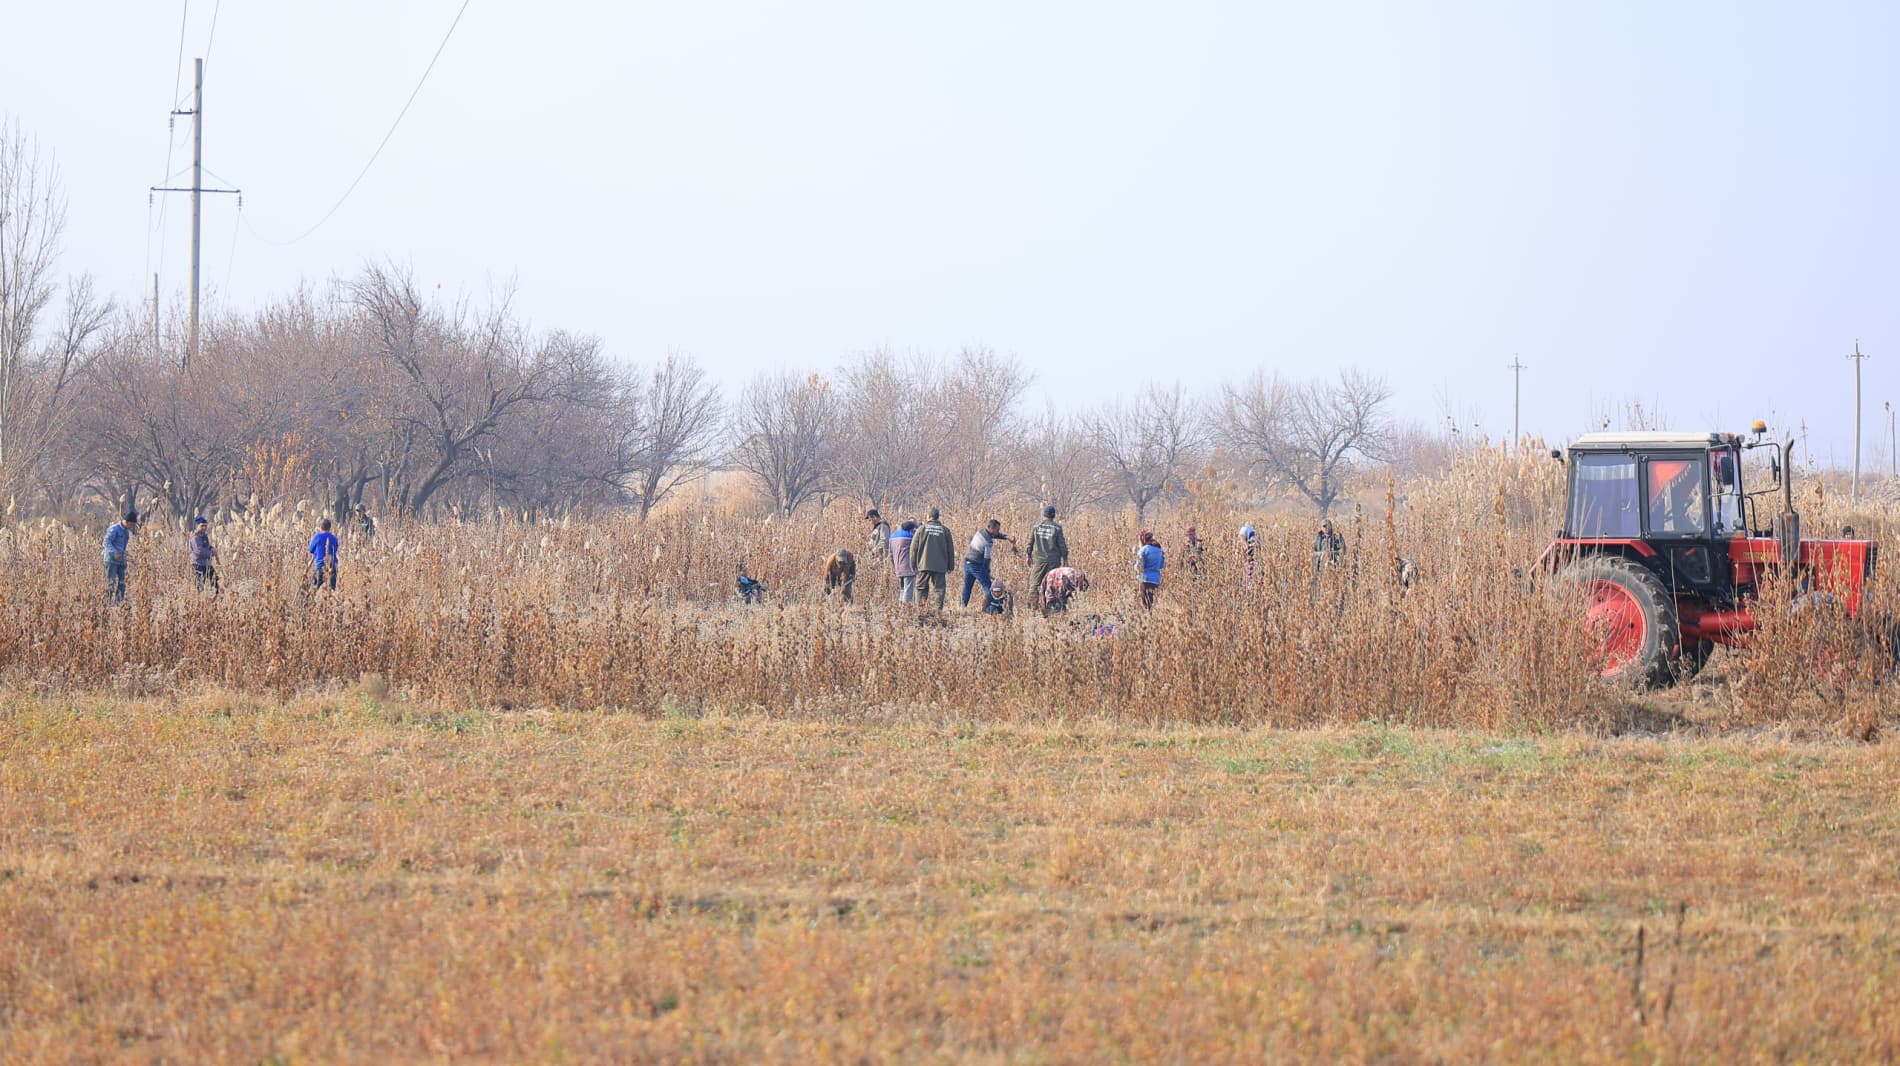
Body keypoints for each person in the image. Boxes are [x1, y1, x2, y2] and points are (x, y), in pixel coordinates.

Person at [908, 507, 956, 609]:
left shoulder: (921, 529)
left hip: (924, 564)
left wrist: (912, 563)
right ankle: (938, 612)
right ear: (937, 517)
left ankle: (920, 610)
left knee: (921, 588)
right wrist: (951, 565)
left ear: (929, 516)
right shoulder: (945, 530)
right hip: (940, 565)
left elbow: (913, 548)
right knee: (939, 589)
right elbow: (950, 549)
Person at [961, 518, 1010, 608]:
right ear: (992, 528)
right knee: (988, 586)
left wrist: (1006, 537)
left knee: (967, 586)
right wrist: (987, 570)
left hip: (967, 562)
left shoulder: (981, 532)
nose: (998, 531)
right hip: (976, 565)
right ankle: (993, 606)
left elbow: (995, 535)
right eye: (997, 529)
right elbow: (987, 558)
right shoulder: (988, 541)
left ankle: (962, 606)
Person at [1026, 506, 1069, 597]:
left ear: (1044, 514)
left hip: (1038, 560)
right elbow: (1062, 545)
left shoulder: (1036, 527)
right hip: (1053, 560)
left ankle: (1032, 607)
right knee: (1052, 584)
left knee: (1035, 584)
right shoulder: (1057, 528)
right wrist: (1065, 559)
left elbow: (1030, 543)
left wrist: (1028, 556)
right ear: (1053, 516)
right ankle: (1051, 606)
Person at [102, 511, 139, 604]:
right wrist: (115, 552)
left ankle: (118, 603)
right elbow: (106, 542)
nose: (132, 527)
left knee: (122, 582)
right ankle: (107, 603)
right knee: (111, 582)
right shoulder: (114, 529)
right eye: (132, 525)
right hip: (111, 560)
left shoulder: (126, 532)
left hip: (121, 561)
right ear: (127, 522)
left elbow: (124, 547)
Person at [189, 515, 221, 595]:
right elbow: (199, 551)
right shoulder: (195, 538)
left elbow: (207, 546)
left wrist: (212, 548)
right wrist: (211, 553)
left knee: (215, 582)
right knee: (200, 585)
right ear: (197, 526)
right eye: (202, 526)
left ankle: (216, 598)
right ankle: (200, 601)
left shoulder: (204, 536)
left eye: (205, 526)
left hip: (207, 564)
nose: (204, 528)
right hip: (198, 565)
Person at [888, 520, 918, 604]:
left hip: (898, 567)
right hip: (909, 568)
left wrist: (894, 566)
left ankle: (900, 609)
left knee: (902, 590)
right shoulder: (911, 536)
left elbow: (890, 554)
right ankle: (906, 611)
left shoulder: (892, 536)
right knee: (908, 590)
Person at [1135, 530, 1165, 609]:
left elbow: (1139, 566)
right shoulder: (1159, 550)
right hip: (1156, 580)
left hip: (1145, 579)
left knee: (1145, 605)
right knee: (1151, 603)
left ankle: (1146, 619)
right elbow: (1162, 565)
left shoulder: (1144, 549)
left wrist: (1135, 569)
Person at [309, 517, 340, 590]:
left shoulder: (317, 537)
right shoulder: (334, 538)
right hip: (332, 566)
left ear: (320, 527)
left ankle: (306, 601)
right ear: (330, 528)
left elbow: (310, 549)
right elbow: (335, 549)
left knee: (312, 588)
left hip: (321, 566)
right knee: (332, 590)